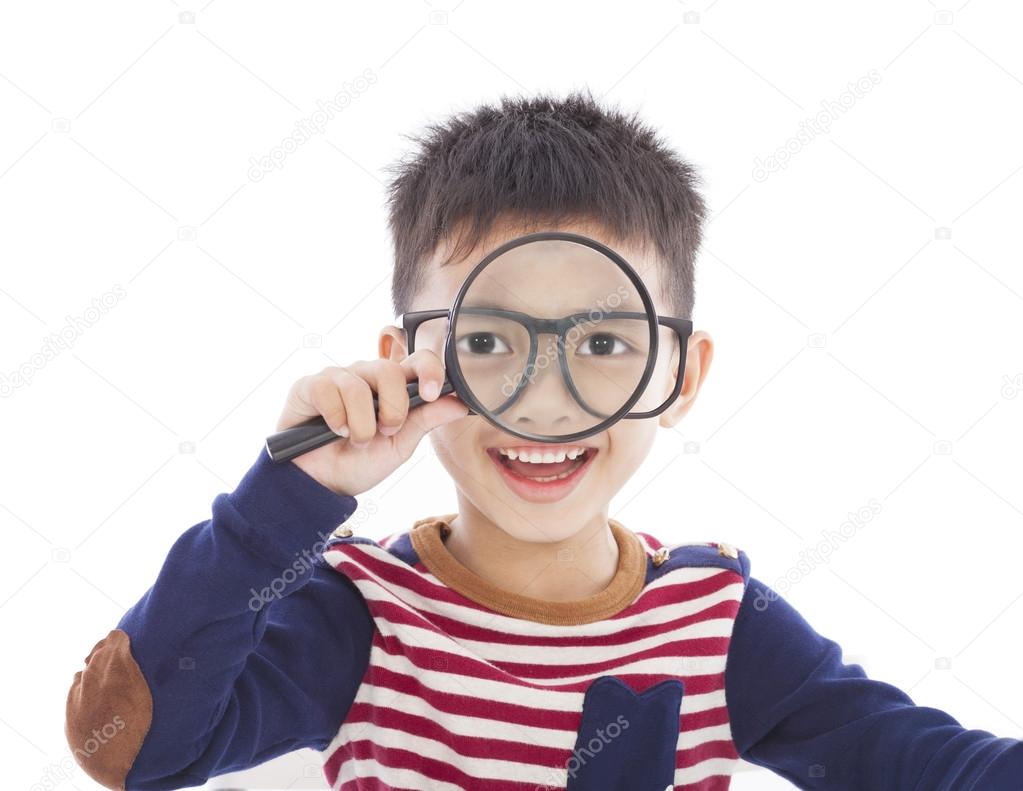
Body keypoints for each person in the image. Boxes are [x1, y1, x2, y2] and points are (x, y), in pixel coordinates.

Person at [64, 90, 1023, 790]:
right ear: (406, 364)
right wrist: (284, 502)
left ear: (679, 376)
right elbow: (132, 747)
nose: (550, 402)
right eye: (486, 341)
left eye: (603, 342)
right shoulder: (360, 612)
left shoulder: (722, 623)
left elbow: (929, 767)